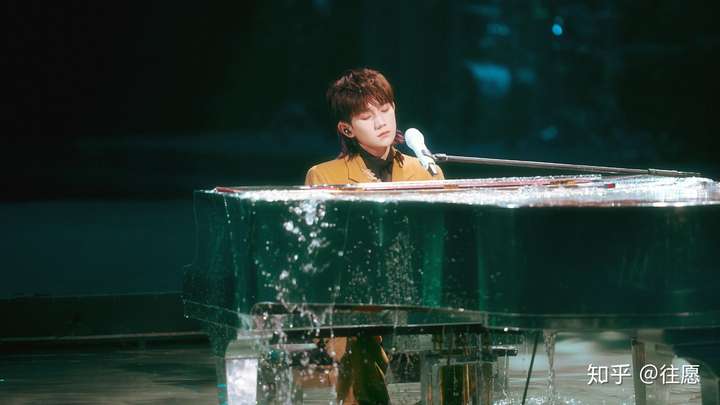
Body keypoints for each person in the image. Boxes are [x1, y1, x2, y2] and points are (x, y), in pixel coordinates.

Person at [305, 68, 444, 405]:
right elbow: (323, 257)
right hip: (354, 295)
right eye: (367, 117)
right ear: (347, 129)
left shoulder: (425, 170)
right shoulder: (324, 175)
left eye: (385, 109)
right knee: (355, 329)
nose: (381, 122)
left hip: (413, 288)